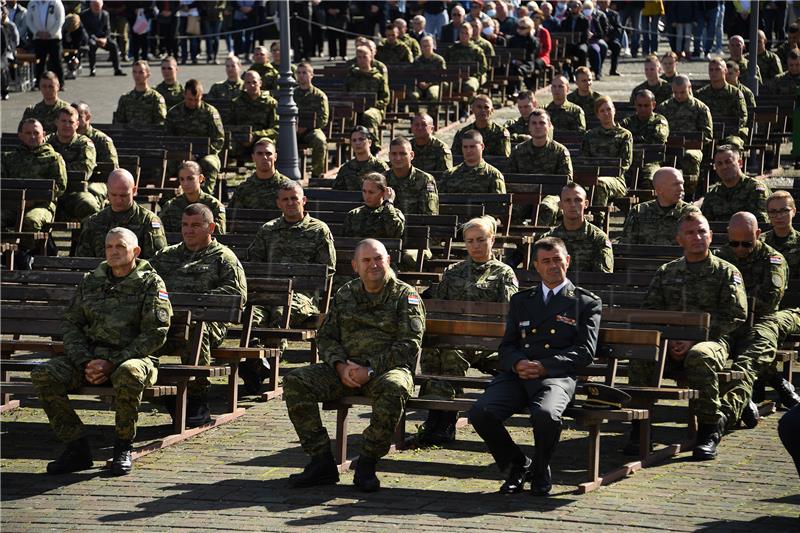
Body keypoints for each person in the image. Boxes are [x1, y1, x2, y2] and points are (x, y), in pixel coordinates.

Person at [284, 238, 426, 492]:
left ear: (388, 261)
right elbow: (326, 336)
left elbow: (409, 344)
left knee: (395, 388)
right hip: (344, 371)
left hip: (386, 371)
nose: (373, 265)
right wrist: (339, 365)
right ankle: (321, 462)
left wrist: (369, 369)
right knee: (296, 381)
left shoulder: (406, 296)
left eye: (378, 259)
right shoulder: (346, 293)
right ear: (355, 266)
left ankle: (367, 463)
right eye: (366, 260)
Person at [31, 227, 172, 476]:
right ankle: (77, 448)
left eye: (120, 246)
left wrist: (113, 362)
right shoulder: (91, 280)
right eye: (109, 247)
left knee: (129, 373)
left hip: (134, 358)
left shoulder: (150, 282)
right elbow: (72, 324)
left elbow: (156, 333)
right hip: (90, 358)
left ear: (136, 251)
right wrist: (86, 361)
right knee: (45, 374)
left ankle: (122, 447)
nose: (114, 251)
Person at [469, 236, 602, 496]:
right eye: (546, 261)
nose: (552, 266)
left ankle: (541, 469)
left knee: (545, 415)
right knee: (480, 412)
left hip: (556, 377)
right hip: (518, 375)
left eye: (557, 260)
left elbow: (586, 351)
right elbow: (507, 345)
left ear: (567, 261)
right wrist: (517, 362)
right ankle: (518, 465)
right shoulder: (522, 301)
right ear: (536, 266)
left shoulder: (585, 302)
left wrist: (544, 366)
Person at [626, 212, 747, 460]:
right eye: (690, 233)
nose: (697, 237)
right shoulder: (667, 272)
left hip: (712, 341)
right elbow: (651, 312)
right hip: (670, 343)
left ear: (711, 236)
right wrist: (668, 340)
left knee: (699, 356)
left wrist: (695, 338)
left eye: (702, 231)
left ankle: (709, 430)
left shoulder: (725, 272)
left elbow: (735, 315)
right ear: (679, 239)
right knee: (641, 355)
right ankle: (640, 429)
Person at [416, 216, 518, 446]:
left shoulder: (504, 274)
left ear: (492, 240)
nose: (476, 245)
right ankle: (434, 415)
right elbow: (439, 307)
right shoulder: (454, 272)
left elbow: (507, 313)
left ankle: (446, 421)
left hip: (488, 341)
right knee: (433, 351)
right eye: (470, 241)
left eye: (481, 239)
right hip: (455, 337)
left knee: (451, 353)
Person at [150, 203, 246, 427]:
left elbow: (236, 294)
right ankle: (151, 385)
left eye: (195, 225)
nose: (188, 230)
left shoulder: (223, 257)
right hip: (168, 321)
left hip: (208, 323)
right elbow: (145, 282)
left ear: (210, 227)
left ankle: (196, 399)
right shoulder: (166, 256)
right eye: (185, 225)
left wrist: (197, 302)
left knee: (194, 330)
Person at [714, 211, 789, 429]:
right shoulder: (721, 257)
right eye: (734, 243)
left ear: (757, 233)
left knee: (747, 361)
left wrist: (732, 299)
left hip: (760, 322)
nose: (739, 249)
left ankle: (725, 415)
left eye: (746, 244)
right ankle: (746, 400)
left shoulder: (773, 260)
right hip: (728, 323)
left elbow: (767, 300)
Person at [247, 181, 336, 328]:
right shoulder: (268, 230)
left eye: (294, 198)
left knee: (280, 314)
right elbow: (255, 263)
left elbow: (328, 269)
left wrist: (296, 284)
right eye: (285, 199)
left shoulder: (319, 230)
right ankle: (256, 349)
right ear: (278, 204)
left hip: (302, 296)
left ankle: (274, 350)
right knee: (253, 317)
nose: (290, 203)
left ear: (304, 200)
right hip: (268, 294)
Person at [0, 118, 67, 247]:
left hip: (42, 206)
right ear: (20, 136)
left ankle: (28, 255)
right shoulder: (9, 158)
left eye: (36, 133)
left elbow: (60, 187)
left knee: (31, 221)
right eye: (28, 133)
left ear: (44, 134)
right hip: (12, 205)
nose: (32, 136)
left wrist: (34, 200)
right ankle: (6, 252)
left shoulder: (53, 158)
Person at [75, 169, 167, 259]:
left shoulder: (148, 221)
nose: (118, 200)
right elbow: (82, 261)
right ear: (107, 191)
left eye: (124, 195)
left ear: (134, 191)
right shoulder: (94, 222)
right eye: (114, 195)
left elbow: (157, 262)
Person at [507, 109, 573, 227]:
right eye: (534, 123)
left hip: (551, 196)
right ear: (529, 127)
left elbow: (567, 183)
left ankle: (541, 241)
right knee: (511, 211)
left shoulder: (560, 151)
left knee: (546, 208)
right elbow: (510, 179)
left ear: (549, 126)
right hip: (524, 195)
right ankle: (523, 242)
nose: (538, 126)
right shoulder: (518, 151)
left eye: (542, 123)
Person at [656, 75, 713, 199]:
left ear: (689, 88)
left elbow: (707, 135)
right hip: (669, 148)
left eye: (682, 92)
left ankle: (689, 195)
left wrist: (689, 142)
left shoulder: (700, 108)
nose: (679, 95)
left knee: (690, 157)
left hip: (692, 148)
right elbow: (658, 131)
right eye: (675, 92)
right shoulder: (664, 108)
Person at [165, 79, 225, 194]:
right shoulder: (174, 113)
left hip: (206, 154)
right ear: (184, 95)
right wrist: (183, 154)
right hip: (179, 154)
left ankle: (204, 198)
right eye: (189, 99)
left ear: (201, 96)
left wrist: (198, 155)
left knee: (209, 164)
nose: (192, 103)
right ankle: (168, 202)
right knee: (162, 167)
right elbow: (168, 139)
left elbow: (218, 140)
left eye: (196, 100)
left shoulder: (210, 112)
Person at [580, 96, 633, 228]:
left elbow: (625, 163)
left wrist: (604, 173)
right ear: (597, 114)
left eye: (609, 109)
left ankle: (598, 224)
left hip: (617, 181)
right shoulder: (590, 135)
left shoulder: (624, 135)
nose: (606, 113)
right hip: (592, 177)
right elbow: (584, 159)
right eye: (602, 111)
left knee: (601, 183)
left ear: (614, 111)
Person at [618, 167, 700, 245]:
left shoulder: (690, 212)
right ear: (659, 189)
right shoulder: (639, 211)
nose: (681, 188)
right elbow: (626, 245)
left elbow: (697, 247)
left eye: (682, 184)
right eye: (675, 184)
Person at [543, 182, 613, 272]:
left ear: (586, 204)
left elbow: (602, 279)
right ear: (560, 205)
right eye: (567, 200)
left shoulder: (598, 239)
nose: (572, 204)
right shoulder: (548, 239)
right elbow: (536, 276)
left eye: (578, 200)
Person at [701, 145, 770, 224]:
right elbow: (704, 224)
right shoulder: (713, 193)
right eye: (719, 164)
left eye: (728, 162)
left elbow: (761, 223)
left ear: (740, 163)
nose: (724, 167)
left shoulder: (754, 188)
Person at [619, 89, 670, 189]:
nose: (642, 109)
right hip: (629, 163)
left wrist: (633, 140)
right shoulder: (628, 122)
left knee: (651, 180)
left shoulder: (659, 121)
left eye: (646, 105)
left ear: (653, 105)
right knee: (619, 180)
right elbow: (619, 140)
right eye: (639, 105)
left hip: (650, 162)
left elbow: (657, 141)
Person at [159, 161, 226, 234]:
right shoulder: (170, 205)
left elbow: (220, 235)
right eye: (182, 179)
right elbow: (162, 234)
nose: (185, 183)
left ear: (201, 178)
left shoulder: (214, 205)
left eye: (190, 179)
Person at [695, 58, 749, 148]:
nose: (714, 73)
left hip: (730, 134)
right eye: (711, 70)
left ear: (725, 71)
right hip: (708, 134)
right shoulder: (701, 94)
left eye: (717, 69)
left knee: (732, 144)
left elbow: (742, 118)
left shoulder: (735, 93)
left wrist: (724, 131)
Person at [345, 45, 390, 151]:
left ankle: (374, 148)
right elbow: (345, 95)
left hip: (374, 109)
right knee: (345, 116)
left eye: (364, 57)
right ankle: (344, 149)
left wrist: (371, 104)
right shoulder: (352, 76)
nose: (361, 60)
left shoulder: (378, 77)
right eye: (359, 57)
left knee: (368, 116)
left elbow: (385, 99)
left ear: (371, 57)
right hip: (354, 108)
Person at [228, 138, 293, 209]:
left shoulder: (288, 187)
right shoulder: (243, 189)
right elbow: (232, 217)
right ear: (253, 157)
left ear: (275, 157)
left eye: (268, 153)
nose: (264, 157)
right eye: (260, 154)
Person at [384, 136, 439, 216]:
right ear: (389, 156)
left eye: (403, 154)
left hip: (418, 226)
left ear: (412, 155)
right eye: (394, 154)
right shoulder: (383, 179)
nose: (398, 158)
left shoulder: (425, 180)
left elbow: (429, 215)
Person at [439, 130, 505, 194]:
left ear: (482, 146)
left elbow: (499, 203)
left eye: (472, 147)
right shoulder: (449, 175)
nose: (468, 151)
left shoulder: (493, 175)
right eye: (465, 147)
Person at [342, 172, 405, 240]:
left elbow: (395, 233)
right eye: (364, 191)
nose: (367, 196)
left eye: (371, 192)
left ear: (383, 192)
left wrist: (388, 203)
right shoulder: (354, 214)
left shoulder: (394, 213)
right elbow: (345, 241)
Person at [231, 70, 278, 158]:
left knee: (263, 146)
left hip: (262, 137)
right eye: (248, 83)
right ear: (244, 84)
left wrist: (255, 135)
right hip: (240, 138)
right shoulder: (237, 102)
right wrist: (242, 136)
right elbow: (229, 124)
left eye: (254, 82)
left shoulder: (270, 103)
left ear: (260, 83)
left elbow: (276, 129)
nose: (251, 85)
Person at [295, 62, 330, 180]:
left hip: (311, 130)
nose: (301, 75)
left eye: (304, 72)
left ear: (311, 75)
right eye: (299, 73)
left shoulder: (319, 96)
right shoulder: (291, 93)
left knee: (320, 141)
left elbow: (323, 119)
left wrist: (306, 127)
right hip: (292, 130)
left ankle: (316, 175)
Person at [333, 126, 389, 191]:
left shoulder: (379, 166)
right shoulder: (346, 168)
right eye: (354, 140)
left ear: (370, 142)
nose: (357, 143)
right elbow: (336, 193)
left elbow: (387, 191)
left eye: (361, 139)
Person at [113, 60, 167, 126]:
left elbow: (161, 124)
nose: (137, 75)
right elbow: (118, 123)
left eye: (141, 72)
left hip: (149, 135)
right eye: (134, 72)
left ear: (148, 74)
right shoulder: (125, 98)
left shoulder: (156, 98)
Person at [441, 23, 487, 99]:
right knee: (444, 86)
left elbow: (483, 67)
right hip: (453, 77)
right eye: (462, 33)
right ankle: (449, 105)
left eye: (466, 33)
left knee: (470, 87)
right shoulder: (451, 49)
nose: (464, 35)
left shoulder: (477, 50)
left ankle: (466, 106)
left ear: (471, 34)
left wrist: (475, 75)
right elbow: (444, 64)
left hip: (471, 77)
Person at [80, 0, 126, 77]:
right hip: (91, 38)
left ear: (101, 6)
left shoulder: (105, 14)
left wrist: (105, 38)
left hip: (103, 37)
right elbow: (85, 31)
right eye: (95, 6)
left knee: (114, 45)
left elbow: (107, 29)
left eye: (98, 6)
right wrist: (96, 39)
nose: (96, 8)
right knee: (92, 45)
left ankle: (117, 69)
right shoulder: (84, 15)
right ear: (91, 6)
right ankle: (92, 69)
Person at [27, 0, 65, 88]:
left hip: (54, 38)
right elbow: (29, 20)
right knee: (40, 62)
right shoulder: (33, 3)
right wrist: (36, 32)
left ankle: (60, 83)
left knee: (57, 61)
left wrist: (51, 33)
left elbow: (60, 19)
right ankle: (39, 84)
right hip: (39, 37)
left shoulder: (56, 3)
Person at [762, 191, 800, 278]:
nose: (779, 216)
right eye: (773, 212)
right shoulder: (760, 242)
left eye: (784, 210)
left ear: (794, 211)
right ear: (767, 214)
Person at [72, 101, 118, 167]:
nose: (74, 120)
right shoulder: (65, 138)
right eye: (72, 117)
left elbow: (112, 167)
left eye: (78, 117)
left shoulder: (102, 140)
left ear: (87, 117)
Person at [410, 36, 446, 104]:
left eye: (428, 46)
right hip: (419, 86)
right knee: (413, 95)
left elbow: (443, 77)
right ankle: (416, 114)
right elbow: (413, 76)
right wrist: (419, 83)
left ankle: (432, 114)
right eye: (424, 46)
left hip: (434, 85)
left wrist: (429, 84)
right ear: (421, 47)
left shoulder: (439, 60)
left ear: (433, 46)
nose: (426, 48)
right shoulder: (417, 60)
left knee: (433, 95)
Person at [559, 0, 589, 73]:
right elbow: (563, 33)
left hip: (580, 42)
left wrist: (578, 41)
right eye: (571, 6)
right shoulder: (565, 20)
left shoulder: (584, 20)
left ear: (580, 8)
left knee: (582, 51)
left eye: (575, 6)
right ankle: (565, 72)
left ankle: (582, 72)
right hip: (568, 43)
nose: (573, 8)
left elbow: (585, 35)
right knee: (561, 51)